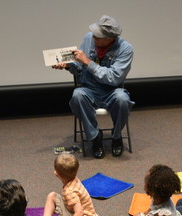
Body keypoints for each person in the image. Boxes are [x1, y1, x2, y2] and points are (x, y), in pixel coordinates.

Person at [52, 15, 134, 159]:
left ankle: (116, 136)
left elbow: (113, 77)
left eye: (98, 36)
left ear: (110, 38)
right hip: (89, 89)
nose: (94, 37)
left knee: (123, 99)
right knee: (77, 95)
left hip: (112, 91)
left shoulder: (126, 49)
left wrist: (88, 62)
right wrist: (68, 65)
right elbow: (79, 67)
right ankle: (95, 137)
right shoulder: (88, 38)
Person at [29, 153, 98, 216]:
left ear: (56, 174)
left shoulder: (70, 191)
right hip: (72, 212)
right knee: (52, 195)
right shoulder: (74, 179)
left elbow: (79, 212)